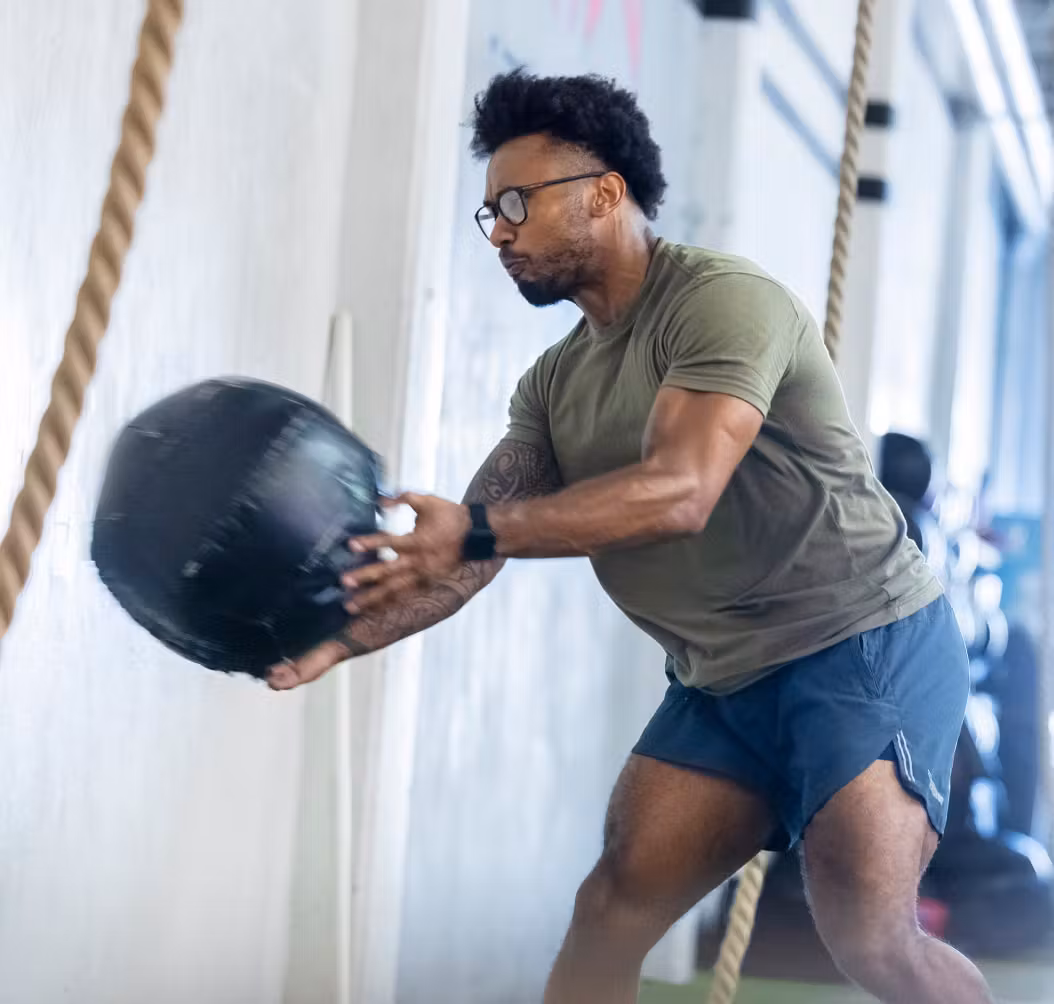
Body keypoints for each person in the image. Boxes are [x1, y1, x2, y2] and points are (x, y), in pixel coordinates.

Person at [268, 71, 993, 1004]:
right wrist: (338, 636)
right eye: (488, 215)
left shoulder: (721, 302)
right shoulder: (551, 385)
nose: (499, 234)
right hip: (724, 682)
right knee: (610, 910)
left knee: (868, 938)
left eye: (517, 205)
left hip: (861, 646)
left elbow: (680, 490)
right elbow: (466, 556)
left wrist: (479, 529)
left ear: (605, 194)